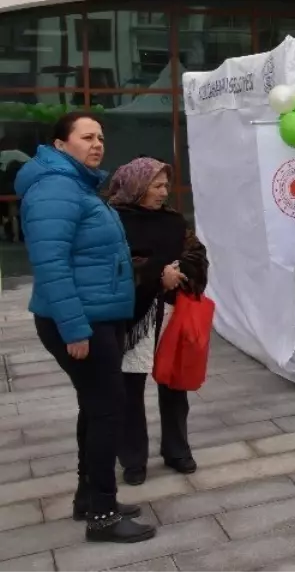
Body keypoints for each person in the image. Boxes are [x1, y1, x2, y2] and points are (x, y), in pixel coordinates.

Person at [16, 113, 155, 543]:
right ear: (60, 145)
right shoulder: (55, 188)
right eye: (86, 137)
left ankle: (88, 498)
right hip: (82, 322)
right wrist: (75, 329)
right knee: (107, 409)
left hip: (97, 315)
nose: (97, 144)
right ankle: (103, 515)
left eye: (100, 137)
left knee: (97, 407)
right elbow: (50, 265)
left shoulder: (77, 185)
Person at [108, 157, 208, 486]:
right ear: (137, 186)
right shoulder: (112, 220)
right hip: (133, 318)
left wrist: (177, 272)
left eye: (166, 185)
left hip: (170, 314)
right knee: (130, 389)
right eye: (157, 185)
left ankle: (177, 450)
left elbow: (197, 254)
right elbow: (113, 265)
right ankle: (133, 459)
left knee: (174, 385)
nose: (164, 192)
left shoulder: (174, 221)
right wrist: (155, 275)